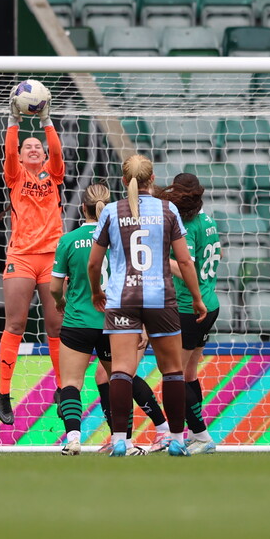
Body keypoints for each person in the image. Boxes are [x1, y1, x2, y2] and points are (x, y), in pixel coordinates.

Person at [88, 155, 207, 457]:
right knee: (172, 371)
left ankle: (118, 439)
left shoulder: (112, 212)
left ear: (122, 179)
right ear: (152, 179)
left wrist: (96, 291)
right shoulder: (168, 210)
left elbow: (93, 263)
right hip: (160, 299)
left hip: (122, 298)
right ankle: (178, 439)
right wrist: (196, 297)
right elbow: (183, 260)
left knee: (121, 371)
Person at [50, 183, 172, 455]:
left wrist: (60, 301)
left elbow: (55, 288)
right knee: (123, 376)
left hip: (78, 321)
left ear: (83, 208)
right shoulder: (120, 237)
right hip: (115, 321)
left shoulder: (68, 240)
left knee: (71, 383)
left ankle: (73, 438)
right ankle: (147, 434)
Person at [0, 89, 65, 424]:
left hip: (52, 256)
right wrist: (14, 121)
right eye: (29, 147)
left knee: (56, 325)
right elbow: (10, 150)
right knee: (17, 323)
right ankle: (4, 392)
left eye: (38, 146)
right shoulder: (15, 175)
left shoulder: (53, 174)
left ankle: (62, 387)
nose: (34, 148)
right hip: (22, 256)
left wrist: (45, 120)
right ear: (22, 157)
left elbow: (57, 151)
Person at [154, 173, 221, 455]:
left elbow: (186, 268)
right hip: (210, 303)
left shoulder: (190, 225)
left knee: (174, 375)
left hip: (189, 306)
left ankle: (193, 436)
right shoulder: (209, 221)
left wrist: (159, 259)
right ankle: (197, 435)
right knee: (189, 373)